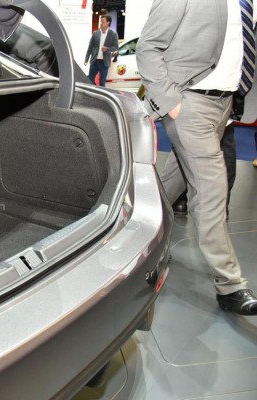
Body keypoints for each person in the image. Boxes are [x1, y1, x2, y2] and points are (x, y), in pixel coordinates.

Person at [136, 0, 257, 315]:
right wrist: (171, 102)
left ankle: (134, 231)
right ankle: (230, 286)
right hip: (190, 104)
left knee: (170, 184)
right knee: (211, 188)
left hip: (224, 106)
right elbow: (148, 47)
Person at [84, 15, 118, 87]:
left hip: (104, 62)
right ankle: (94, 91)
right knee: (90, 81)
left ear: (108, 23)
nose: (101, 23)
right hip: (94, 61)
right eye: (100, 21)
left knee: (102, 83)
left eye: (103, 21)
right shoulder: (95, 33)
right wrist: (86, 59)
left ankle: (99, 92)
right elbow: (90, 47)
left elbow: (116, 47)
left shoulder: (113, 34)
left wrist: (107, 49)